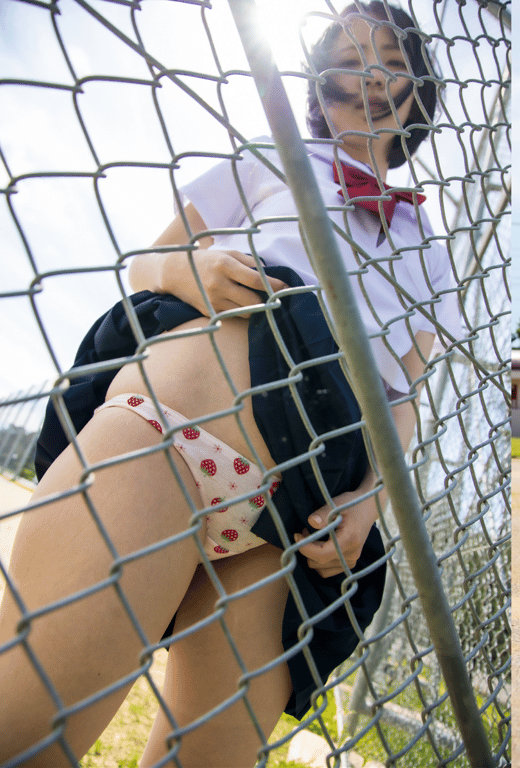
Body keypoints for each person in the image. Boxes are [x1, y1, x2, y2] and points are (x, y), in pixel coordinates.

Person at [0, 3, 460, 765]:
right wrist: (191, 270)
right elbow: (150, 261)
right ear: (317, 81)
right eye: (350, 53)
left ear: (418, 91)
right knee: (27, 738)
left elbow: (403, 398)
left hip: (291, 523)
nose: (372, 71)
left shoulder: (431, 253)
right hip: (176, 425)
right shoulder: (272, 156)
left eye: (392, 58)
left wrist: (370, 500)